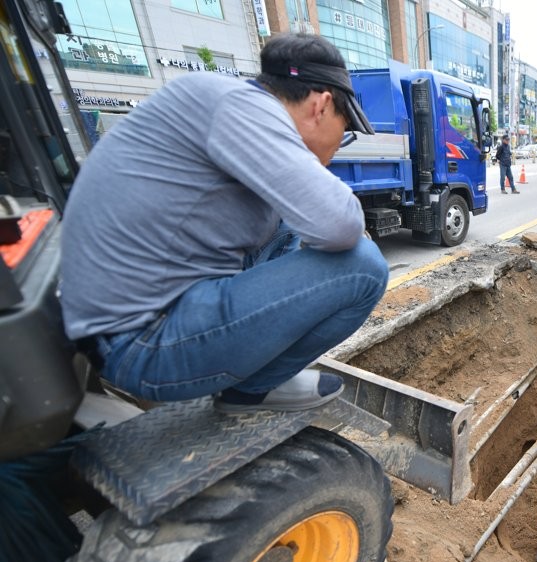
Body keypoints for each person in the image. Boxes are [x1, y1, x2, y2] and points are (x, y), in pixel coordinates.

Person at [59, 34, 388, 414]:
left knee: (290, 223)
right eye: (344, 129)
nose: (339, 144)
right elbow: (341, 224)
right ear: (321, 105)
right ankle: (253, 389)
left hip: (124, 325)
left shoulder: (220, 98)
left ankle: (249, 373)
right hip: (141, 343)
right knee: (363, 266)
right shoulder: (241, 107)